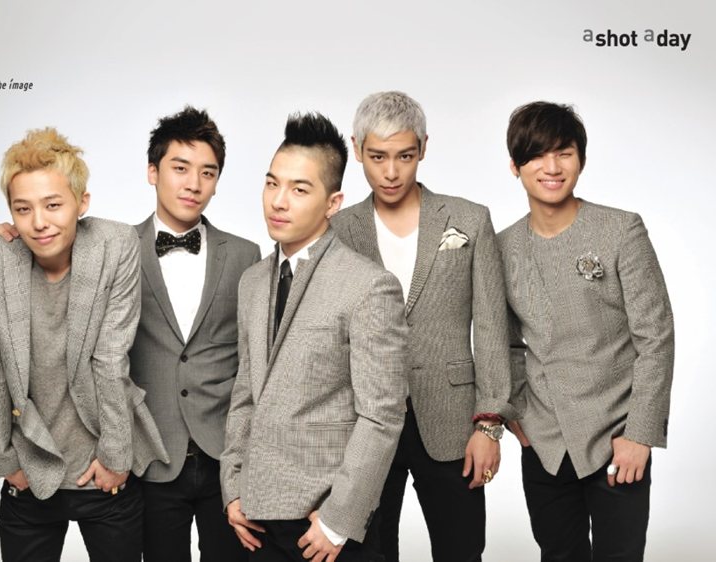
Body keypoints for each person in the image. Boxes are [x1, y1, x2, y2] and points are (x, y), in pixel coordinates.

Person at [0, 107, 261, 561]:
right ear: (153, 172)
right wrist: (7, 237)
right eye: (179, 168)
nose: (193, 183)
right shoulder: (110, 250)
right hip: (148, 459)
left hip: (226, 458)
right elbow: (48, 229)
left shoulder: (246, 255)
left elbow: (254, 361)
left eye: (207, 172)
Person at [0, 127, 169, 562]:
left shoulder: (116, 245)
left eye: (53, 205)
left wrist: (115, 457)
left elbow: (111, 359)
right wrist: (5, 463)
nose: (39, 222)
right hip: (29, 466)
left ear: (81, 203)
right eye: (23, 208)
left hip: (104, 466)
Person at [331, 91, 516, 562]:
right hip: (364, 422)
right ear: (356, 149)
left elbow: (491, 329)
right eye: (378, 157)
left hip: (451, 419)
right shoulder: (337, 230)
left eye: (405, 156)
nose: (391, 172)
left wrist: (490, 425)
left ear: (424, 148)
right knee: (367, 553)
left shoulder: (469, 219)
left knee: (462, 551)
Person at [221, 112, 409, 562]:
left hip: (325, 525)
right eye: (272, 184)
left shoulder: (369, 285)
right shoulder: (252, 281)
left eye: (299, 189)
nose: (278, 201)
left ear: (333, 202)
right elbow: (246, 393)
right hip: (256, 517)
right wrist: (233, 487)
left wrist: (338, 521)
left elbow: (382, 416)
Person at [498, 101, 674, 561]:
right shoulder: (503, 247)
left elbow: (656, 338)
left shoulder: (620, 230)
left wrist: (640, 435)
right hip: (544, 443)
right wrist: (518, 415)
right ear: (515, 166)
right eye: (537, 156)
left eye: (564, 153)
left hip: (616, 438)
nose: (552, 168)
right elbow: (508, 342)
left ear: (582, 159)